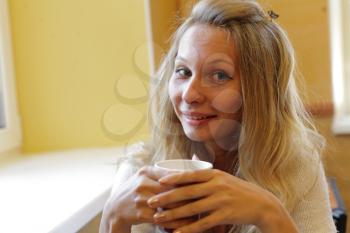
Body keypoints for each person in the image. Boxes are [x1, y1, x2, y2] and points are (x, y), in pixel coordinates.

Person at [99, 0, 336, 232]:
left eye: (219, 75)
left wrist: (270, 214)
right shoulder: (142, 167)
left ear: (258, 93)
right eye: (183, 71)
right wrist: (113, 216)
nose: (190, 94)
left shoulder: (294, 168)